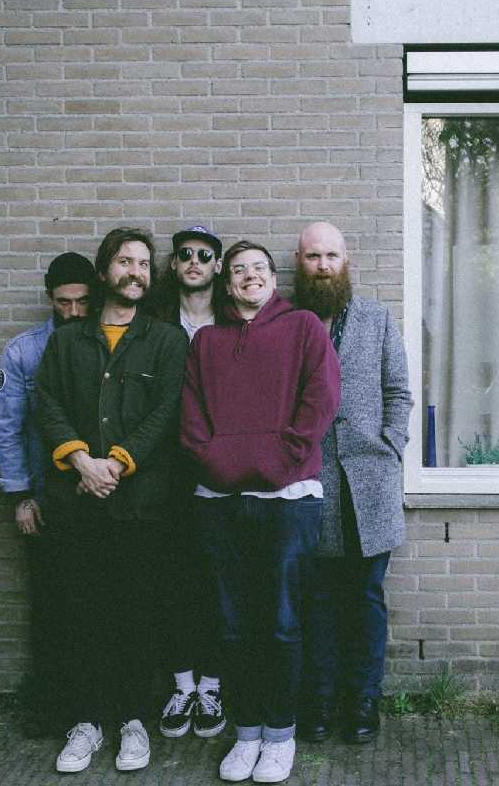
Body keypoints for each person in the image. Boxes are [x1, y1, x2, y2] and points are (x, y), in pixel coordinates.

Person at [181, 240, 340, 783]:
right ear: (227, 284)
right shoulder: (206, 342)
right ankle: (246, 732)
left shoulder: (304, 329)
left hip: (289, 501)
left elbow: (320, 401)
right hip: (219, 504)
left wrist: (277, 463)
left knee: (281, 623)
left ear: (274, 279)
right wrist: (220, 467)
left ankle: (279, 734)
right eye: (239, 270)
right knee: (232, 625)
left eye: (259, 268)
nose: (250, 276)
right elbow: (191, 420)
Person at [35, 227, 187, 774]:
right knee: (82, 614)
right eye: (125, 261)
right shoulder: (67, 341)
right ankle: (87, 722)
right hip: (78, 504)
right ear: (104, 272)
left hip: (140, 506)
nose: (135, 272)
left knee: (136, 614)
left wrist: (116, 463)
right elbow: (47, 403)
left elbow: (166, 412)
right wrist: (81, 461)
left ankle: (133, 722)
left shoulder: (166, 340)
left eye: (144, 264)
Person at [293, 221, 412, 744]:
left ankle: (364, 698)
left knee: (365, 596)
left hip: (370, 483)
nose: (323, 266)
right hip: (309, 481)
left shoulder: (376, 319)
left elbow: (398, 391)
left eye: (331, 256)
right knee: (316, 598)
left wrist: (390, 445)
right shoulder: (288, 322)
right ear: (299, 263)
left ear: (346, 261)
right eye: (313, 256)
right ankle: (319, 698)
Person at [0, 251, 94, 733]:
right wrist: (21, 497)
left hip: (102, 496)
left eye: (82, 301)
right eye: (63, 302)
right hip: (47, 499)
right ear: (49, 298)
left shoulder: (107, 343)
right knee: (52, 606)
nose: (73, 311)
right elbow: (8, 428)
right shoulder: (24, 351)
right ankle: (54, 707)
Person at [151, 225, 228, 739]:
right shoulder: (155, 324)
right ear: (175, 265)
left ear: (217, 265)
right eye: (185, 254)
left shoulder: (234, 321)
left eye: (204, 254)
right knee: (174, 579)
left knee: (220, 580)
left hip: (223, 471)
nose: (195, 261)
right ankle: (182, 686)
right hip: (166, 472)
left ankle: (213, 685)